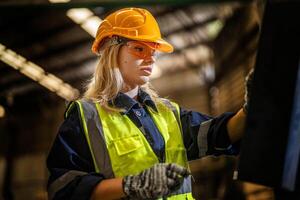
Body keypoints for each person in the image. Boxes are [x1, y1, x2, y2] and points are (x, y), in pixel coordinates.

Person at [46, 7, 247, 200]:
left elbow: (221, 133)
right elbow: (63, 189)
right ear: (111, 52)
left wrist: (250, 108)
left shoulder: (168, 113)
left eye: (153, 51)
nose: (150, 58)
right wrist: (130, 185)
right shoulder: (86, 118)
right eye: (139, 48)